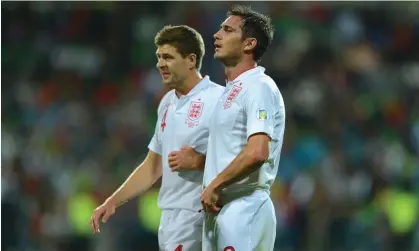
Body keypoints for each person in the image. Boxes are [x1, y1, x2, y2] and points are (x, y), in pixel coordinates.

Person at [90, 25, 224, 251]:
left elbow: (242, 157)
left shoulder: (219, 100)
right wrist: (113, 201)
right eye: (159, 57)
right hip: (171, 220)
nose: (160, 63)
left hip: (202, 216)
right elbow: (152, 166)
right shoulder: (167, 103)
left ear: (191, 60)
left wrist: (200, 161)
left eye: (168, 57)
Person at [201, 5, 284, 251]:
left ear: (249, 44)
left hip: (244, 207)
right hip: (221, 208)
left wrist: (215, 184)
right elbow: (229, 154)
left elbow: (258, 152)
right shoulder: (230, 91)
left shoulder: (259, 86)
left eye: (227, 30)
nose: (217, 35)